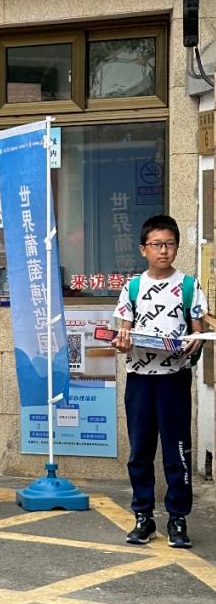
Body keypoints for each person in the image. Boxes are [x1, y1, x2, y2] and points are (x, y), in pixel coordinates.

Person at [112, 214, 207, 549]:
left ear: (177, 248)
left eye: (169, 244)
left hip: (174, 380)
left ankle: (178, 518)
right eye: (156, 244)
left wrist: (195, 342)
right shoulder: (132, 287)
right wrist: (122, 342)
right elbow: (123, 331)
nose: (163, 250)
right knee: (140, 450)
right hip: (140, 380)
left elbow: (198, 331)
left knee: (177, 452)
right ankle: (144, 517)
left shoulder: (189, 286)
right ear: (143, 249)